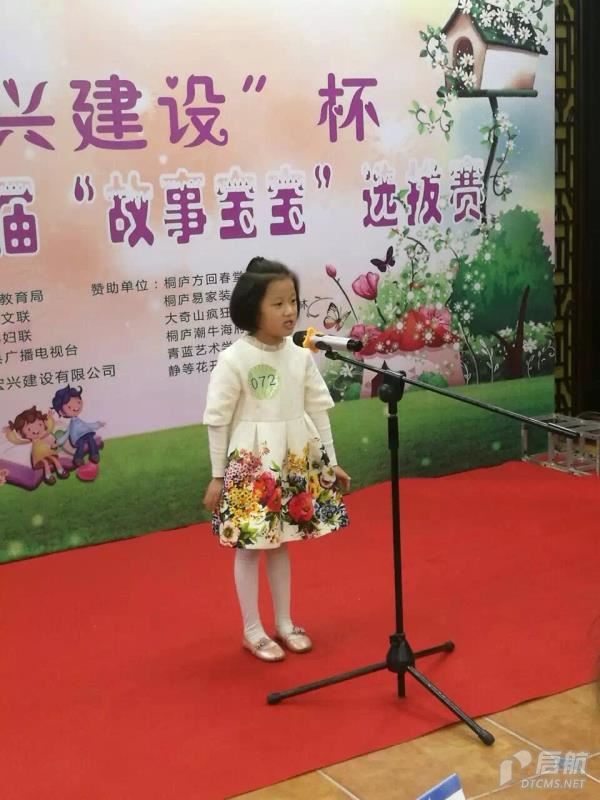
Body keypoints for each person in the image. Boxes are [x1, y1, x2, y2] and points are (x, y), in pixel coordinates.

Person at [203, 256, 351, 662]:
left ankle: (284, 623)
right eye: (278, 303)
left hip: (293, 462)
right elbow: (217, 420)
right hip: (253, 467)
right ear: (253, 309)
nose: (290, 311)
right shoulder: (234, 359)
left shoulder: (300, 355)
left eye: (293, 302)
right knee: (251, 546)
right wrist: (217, 476)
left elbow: (318, 408)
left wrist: (330, 460)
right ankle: (252, 629)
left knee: (282, 542)